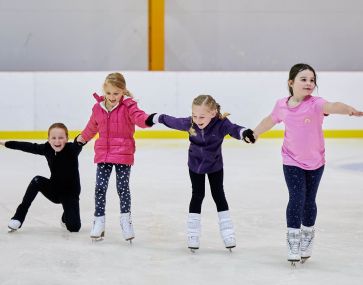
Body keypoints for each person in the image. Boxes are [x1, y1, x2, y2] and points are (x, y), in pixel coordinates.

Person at [252, 63, 363, 264]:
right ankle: (293, 239)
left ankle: (308, 234)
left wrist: (349, 110)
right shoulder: (281, 105)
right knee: (296, 198)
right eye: (304, 79)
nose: (309, 83)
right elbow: (270, 120)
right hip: (291, 160)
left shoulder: (316, 103)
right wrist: (256, 132)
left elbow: (333, 106)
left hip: (316, 162)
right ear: (291, 83)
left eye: (312, 80)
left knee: (309, 200)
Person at [148, 94, 255, 251]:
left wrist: (245, 132)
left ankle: (228, 232)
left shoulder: (221, 124)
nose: (197, 120)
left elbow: (234, 129)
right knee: (198, 195)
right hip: (195, 165)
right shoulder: (190, 123)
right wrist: (156, 117)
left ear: (212, 113)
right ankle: (193, 233)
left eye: (202, 116)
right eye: (194, 115)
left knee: (218, 194)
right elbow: (172, 121)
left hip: (215, 166)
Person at [77, 72, 154, 242]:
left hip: (123, 154)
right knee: (100, 188)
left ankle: (126, 221)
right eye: (109, 93)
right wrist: (80, 139)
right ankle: (99, 221)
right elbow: (91, 127)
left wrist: (150, 120)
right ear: (104, 91)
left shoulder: (128, 106)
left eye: (116, 93)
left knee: (122, 188)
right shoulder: (98, 108)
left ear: (123, 92)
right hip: (103, 153)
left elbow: (139, 118)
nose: (112, 97)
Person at [0, 123, 84, 233]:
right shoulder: (47, 148)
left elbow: (79, 141)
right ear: (48, 139)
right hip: (54, 190)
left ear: (67, 138)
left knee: (74, 228)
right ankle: (18, 217)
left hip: (70, 194)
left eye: (61, 138)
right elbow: (27, 146)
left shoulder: (72, 149)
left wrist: (80, 139)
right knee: (37, 180)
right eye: (53, 138)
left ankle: (66, 216)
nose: (57, 141)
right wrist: (5, 143)